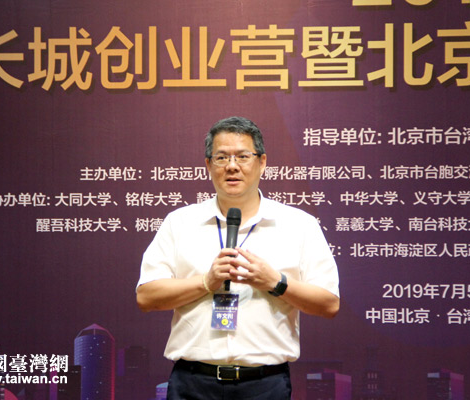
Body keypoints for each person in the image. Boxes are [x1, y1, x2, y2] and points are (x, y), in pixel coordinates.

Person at [136, 116, 340, 399]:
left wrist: (275, 282)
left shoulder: (299, 224)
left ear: (262, 162)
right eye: (221, 157)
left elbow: (329, 303)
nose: (232, 166)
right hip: (192, 383)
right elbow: (146, 296)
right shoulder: (179, 222)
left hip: (265, 384)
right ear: (208, 165)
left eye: (243, 156)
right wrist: (206, 282)